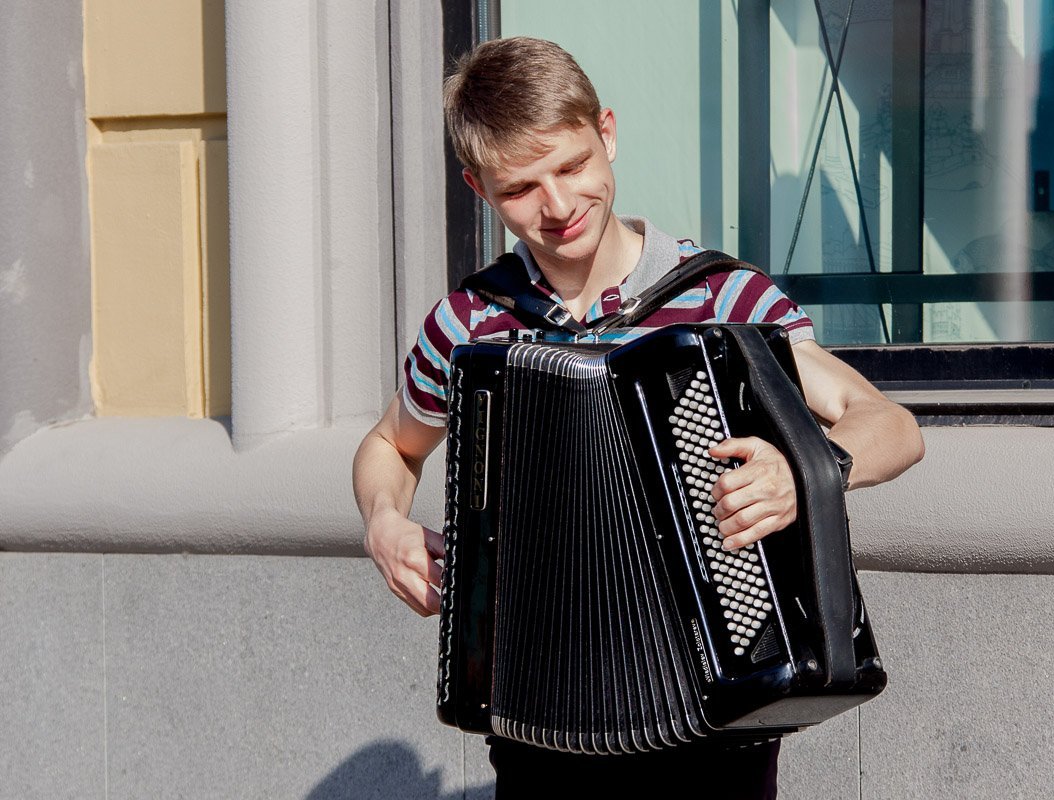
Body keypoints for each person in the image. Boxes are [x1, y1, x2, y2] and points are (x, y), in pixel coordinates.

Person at [353, 36, 924, 800]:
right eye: (521, 187)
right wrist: (384, 520)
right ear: (477, 188)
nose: (558, 205)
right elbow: (392, 443)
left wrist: (806, 470)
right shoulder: (470, 325)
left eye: (572, 165)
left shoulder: (723, 301)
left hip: (714, 717)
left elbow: (888, 422)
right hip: (539, 718)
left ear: (608, 134)